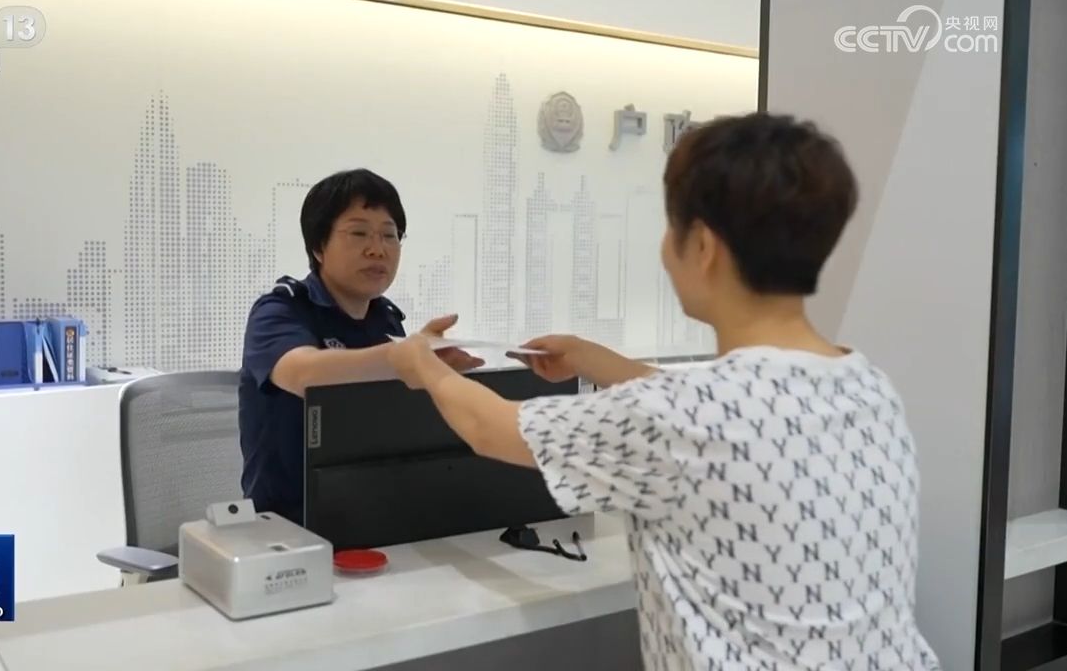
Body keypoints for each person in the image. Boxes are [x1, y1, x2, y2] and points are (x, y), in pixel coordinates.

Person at [386, 113, 940, 670]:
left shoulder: (676, 416)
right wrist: (597, 361)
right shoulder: (866, 385)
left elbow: (490, 427)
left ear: (702, 246)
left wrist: (424, 364)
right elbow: (734, 413)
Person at [239, 168, 482, 525]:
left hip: (371, 514)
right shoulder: (280, 311)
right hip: (287, 526)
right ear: (318, 246)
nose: (377, 249)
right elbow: (305, 374)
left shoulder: (386, 320)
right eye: (358, 233)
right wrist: (404, 359)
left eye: (390, 235)